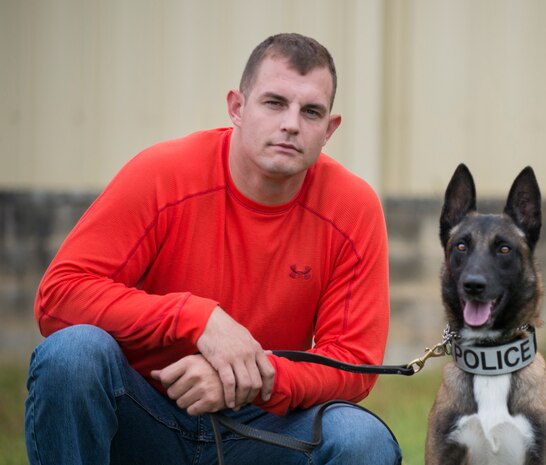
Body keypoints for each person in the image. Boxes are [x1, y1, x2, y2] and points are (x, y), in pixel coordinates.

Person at [24, 33, 402, 464]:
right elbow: (59, 297)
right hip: (145, 414)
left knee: (362, 438)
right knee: (73, 355)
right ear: (237, 108)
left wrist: (251, 378)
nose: (292, 123)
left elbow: (352, 361)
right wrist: (197, 319)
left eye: (311, 111)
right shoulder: (163, 174)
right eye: (274, 103)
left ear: (329, 129)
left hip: (262, 428)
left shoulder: (352, 207)